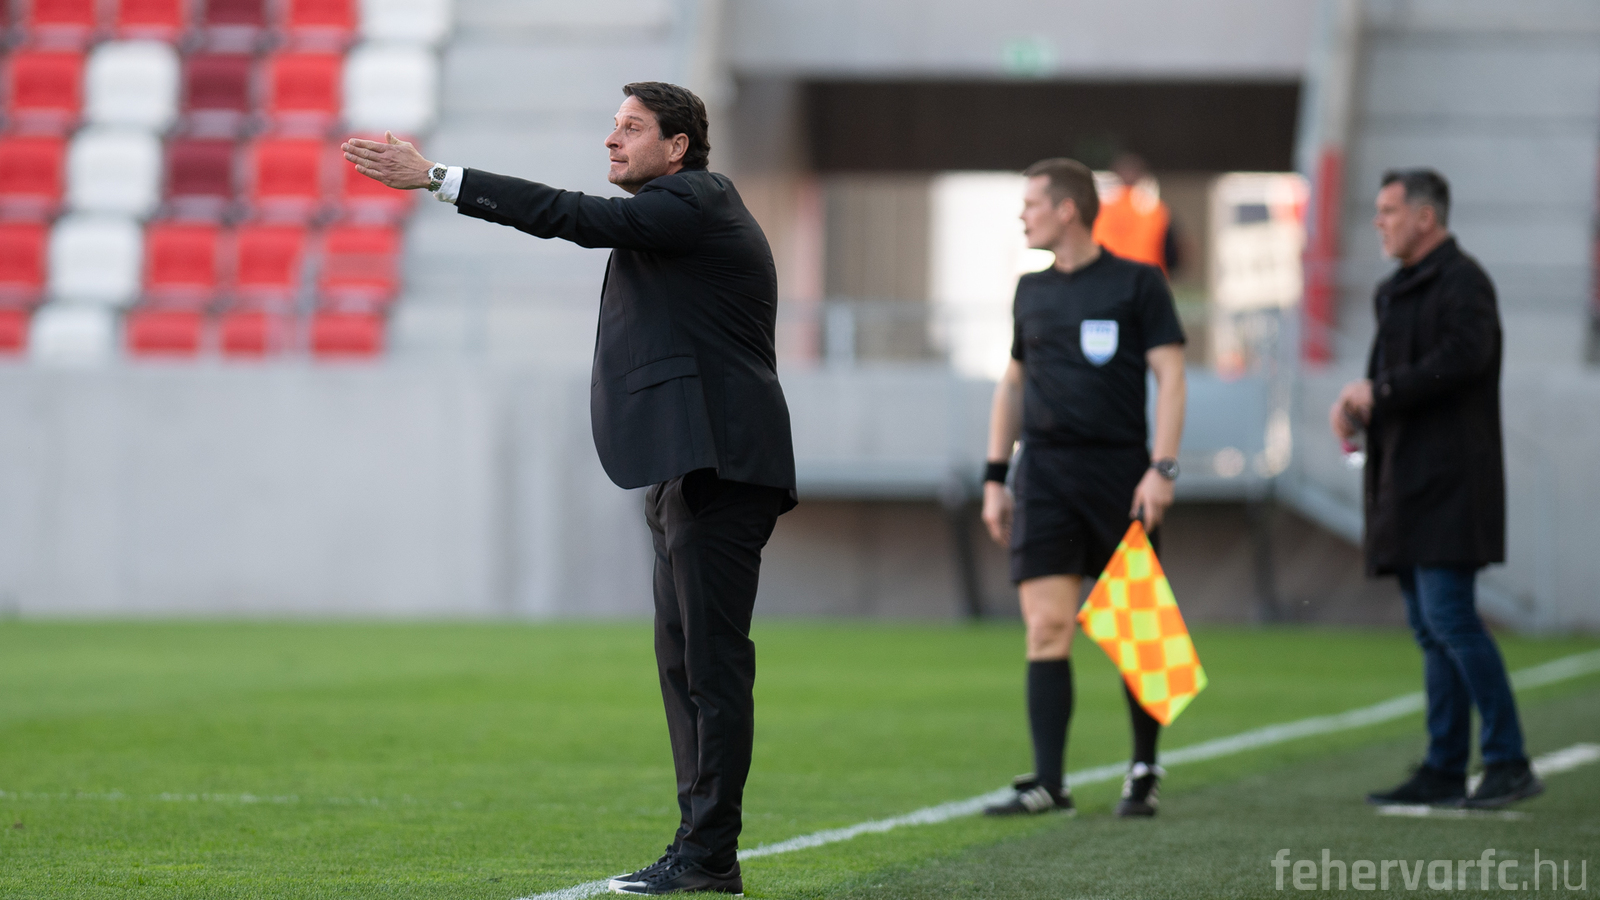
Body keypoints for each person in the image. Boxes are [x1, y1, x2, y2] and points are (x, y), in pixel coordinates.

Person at [343, 82, 796, 895]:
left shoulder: (692, 200)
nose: (612, 140)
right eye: (612, 126)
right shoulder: (678, 212)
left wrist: (438, 178)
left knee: (713, 669)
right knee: (684, 667)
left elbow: (570, 216)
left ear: (678, 147)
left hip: (722, 464)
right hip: (687, 466)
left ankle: (708, 855)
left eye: (631, 128)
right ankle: (701, 849)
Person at [981, 158, 1187, 818]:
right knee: (1045, 627)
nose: (1023, 216)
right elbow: (1012, 384)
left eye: (1032, 204)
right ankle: (1050, 783)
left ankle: (1145, 768)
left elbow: (1172, 378)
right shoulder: (1029, 290)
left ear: (1066, 209)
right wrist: (995, 476)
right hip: (1044, 476)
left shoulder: (1138, 283)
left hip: (1119, 474)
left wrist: (1162, 467)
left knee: (1139, 630)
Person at [1332, 169, 1541, 810]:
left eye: (1389, 211)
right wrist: (1357, 408)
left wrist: (1380, 391)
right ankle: (1445, 766)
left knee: (1451, 619)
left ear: (1425, 218)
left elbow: (1463, 359)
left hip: (1452, 485)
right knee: (1431, 628)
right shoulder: (1394, 290)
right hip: (1403, 484)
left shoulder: (1464, 282)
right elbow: (1391, 381)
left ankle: (1508, 760)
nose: (1378, 222)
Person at [1091, 153, 1181, 276]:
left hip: (1105, 278)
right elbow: (1173, 255)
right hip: (1146, 280)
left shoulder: (1097, 209)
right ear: (1142, 177)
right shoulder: (1156, 209)